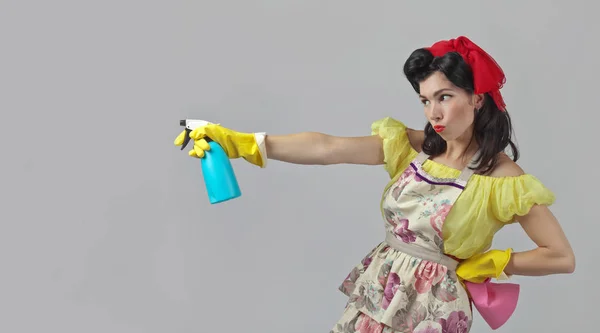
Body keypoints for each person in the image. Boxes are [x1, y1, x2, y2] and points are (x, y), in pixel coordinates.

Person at [174, 36, 575, 333]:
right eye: (424, 100)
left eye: (445, 97)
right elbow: (328, 148)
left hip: (432, 311)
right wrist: (245, 144)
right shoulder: (415, 149)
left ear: (478, 99)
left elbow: (561, 257)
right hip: (378, 294)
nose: (432, 112)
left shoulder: (502, 179)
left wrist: (501, 262)